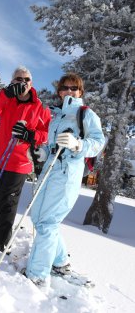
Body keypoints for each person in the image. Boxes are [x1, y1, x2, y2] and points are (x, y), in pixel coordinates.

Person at [24, 72, 105, 292]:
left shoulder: (85, 114)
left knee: (48, 222)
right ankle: (60, 262)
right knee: (39, 218)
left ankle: (37, 274)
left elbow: (98, 143)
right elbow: (51, 146)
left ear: (80, 92)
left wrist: (78, 144)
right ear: (59, 91)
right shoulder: (56, 116)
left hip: (68, 173)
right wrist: (41, 153)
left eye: (74, 88)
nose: (69, 91)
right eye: (65, 88)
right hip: (49, 171)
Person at [0, 66, 51, 252]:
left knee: (8, 201)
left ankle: (0, 241)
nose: (23, 82)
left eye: (26, 79)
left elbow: (46, 134)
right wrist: (5, 94)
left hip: (20, 162)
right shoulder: (7, 100)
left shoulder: (40, 107)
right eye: (18, 79)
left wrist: (30, 135)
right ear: (13, 82)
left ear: (31, 83)